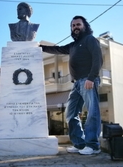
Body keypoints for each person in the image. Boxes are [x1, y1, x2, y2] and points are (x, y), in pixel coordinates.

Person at [39, 16, 103, 155]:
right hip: (76, 84)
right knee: (71, 113)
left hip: (88, 80)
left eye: (78, 24)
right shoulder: (73, 45)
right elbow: (58, 49)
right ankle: (79, 144)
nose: (75, 27)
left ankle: (93, 145)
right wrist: (40, 47)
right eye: (73, 25)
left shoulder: (90, 39)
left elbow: (98, 59)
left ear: (85, 26)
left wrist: (91, 78)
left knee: (92, 112)